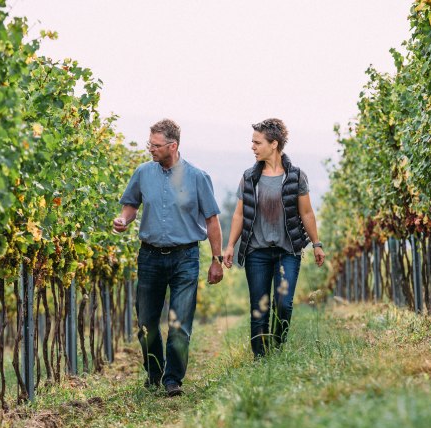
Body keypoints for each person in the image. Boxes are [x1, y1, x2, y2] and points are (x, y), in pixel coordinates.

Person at [113, 119, 224, 397]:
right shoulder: (142, 173)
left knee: (179, 324)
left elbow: (212, 221)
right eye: (149, 143)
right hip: (149, 257)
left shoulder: (197, 177)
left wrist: (216, 260)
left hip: (185, 257)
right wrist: (124, 219)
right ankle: (154, 373)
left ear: (172, 146)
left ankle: (173, 379)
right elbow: (130, 205)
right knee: (146, 322)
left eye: (156, 145)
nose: (150, 149)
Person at [223, 118, 325, 358]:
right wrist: (230, 246)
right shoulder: (249, 177)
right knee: (259, 307)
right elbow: (239, 214)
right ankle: (260, 357)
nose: (253, 147)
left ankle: (277, 350)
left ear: (274, 144)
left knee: (283, 304)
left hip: (287, 251)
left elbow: (306, 213)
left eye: (257, 142)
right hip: (256, 251)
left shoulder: (296, 176)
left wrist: (317, 244)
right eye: (253, 142)